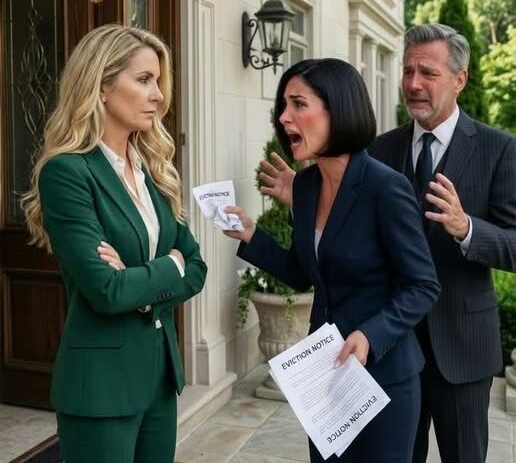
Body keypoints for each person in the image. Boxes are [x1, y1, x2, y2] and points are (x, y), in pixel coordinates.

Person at [259, 24, 516, 463]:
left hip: (459, 349)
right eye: (408, 71)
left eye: (428, 73)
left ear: (460, 79)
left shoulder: (499, 149)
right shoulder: (376, 150)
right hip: (383, 352)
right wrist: (305, 203)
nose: (413, 83)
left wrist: (466, 228)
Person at [224, 58, 440, 462]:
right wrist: (252, 235)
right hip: (326, 377)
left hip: (384, 381)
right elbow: (303, 274)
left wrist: (370, 335)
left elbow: (423, 285)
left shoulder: (385, 188)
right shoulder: (306, 186)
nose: (284, 117)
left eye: (298, 104)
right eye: (283, 105)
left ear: (337, 110)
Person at [21, 25, 207, 463]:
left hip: (159, 377)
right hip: (100, 389)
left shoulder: (152, 170)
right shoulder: (67, 173)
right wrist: (169, 267)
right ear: (101, 87)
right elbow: (106, 290)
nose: (158, 95)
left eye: (158, 81)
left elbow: (197, 266)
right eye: (144, 80)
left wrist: (140, 280)